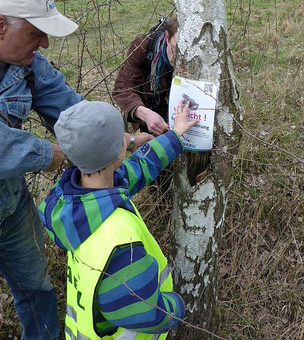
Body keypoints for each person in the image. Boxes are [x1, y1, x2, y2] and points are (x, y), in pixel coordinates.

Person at [0, 0, 151, 340]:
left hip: (9, 204)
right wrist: (44, 153)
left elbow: (75, 116)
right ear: (0, 25)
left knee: (36, 288)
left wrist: (124, 141)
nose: (46, 43)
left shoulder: (28, 67)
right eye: (36, 32)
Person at [38, 99, 196, 340]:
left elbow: (141, 166)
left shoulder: (73, 200)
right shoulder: (119, 243)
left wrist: (175, 135)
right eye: (122, 136)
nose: (126, 137)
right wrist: (175, 306)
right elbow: (144, 313)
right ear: (118, 152)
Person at [112, 16, 178, 136]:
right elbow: (122, 88)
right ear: (167, 37)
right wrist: (145, 114)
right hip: (150, 127)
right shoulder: (143, 47)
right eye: (175, 50)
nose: (179, 59)